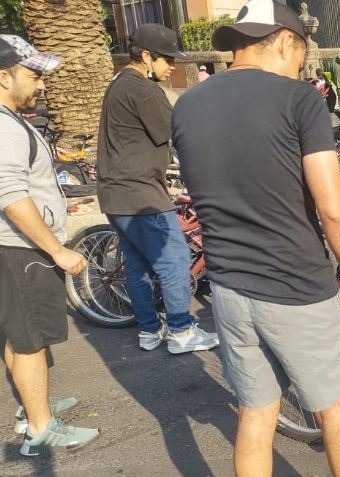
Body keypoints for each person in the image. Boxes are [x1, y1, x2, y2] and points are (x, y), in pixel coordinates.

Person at [171, 1, 340, 476]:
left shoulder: (187, 105)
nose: (301, 66)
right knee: (335, 412)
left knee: (257, 413)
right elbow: (333, 206)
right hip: (296, 286)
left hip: (229, 287)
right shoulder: (298, 99)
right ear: (284, 40)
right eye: (301, 55)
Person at [0, 35, 99, 455]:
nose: (41, 84)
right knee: (30, 339)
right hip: (20, 250)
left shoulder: (10, 119)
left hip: (15, 249)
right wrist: (57, 249)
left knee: (19, 334)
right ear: (4, 76)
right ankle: (40, 427)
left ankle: (32, 404)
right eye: (34, 74)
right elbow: (10, 194)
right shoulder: (4, 125)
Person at [96, 24, 219, 354]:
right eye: (167, 59)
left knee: (137, 266)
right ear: (147, 56)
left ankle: (150, 331)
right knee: (174, 260)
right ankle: (180, 331)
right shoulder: (142, 89)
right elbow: (181, 132)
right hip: (140, 195)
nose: (172, 66)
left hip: (116, 194)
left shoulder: (119, 84)